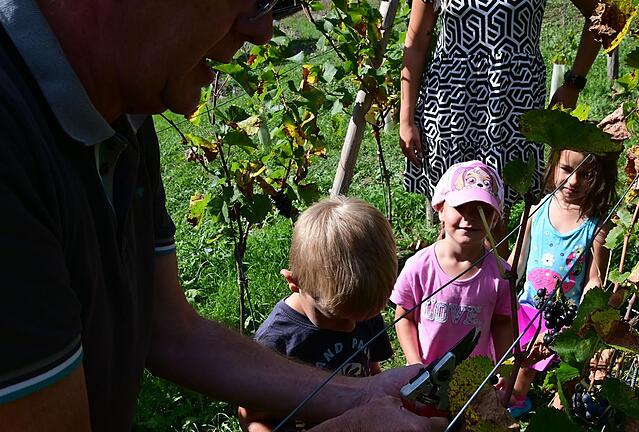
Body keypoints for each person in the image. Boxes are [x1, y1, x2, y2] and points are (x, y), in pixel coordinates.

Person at [0, 0, 447, 430]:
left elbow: (170, 331)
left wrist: (361, 397)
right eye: (252, 1)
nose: (263, 29)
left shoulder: (124, 112)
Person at [398, 0, 602, 249]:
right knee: (452, 207)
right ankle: (450, 283)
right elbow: (416, 43)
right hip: (449, 102)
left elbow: (599, 13)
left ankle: (496, 286)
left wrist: (574, 83)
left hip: (511, 100)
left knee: (496, 213)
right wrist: (406, 118)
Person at [237, 197, 398, 431]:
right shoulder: (276, 341)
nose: (350, 327)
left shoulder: (361, 309)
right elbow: (252, 417)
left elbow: (371, 372)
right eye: (336, 316)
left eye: (362, 317)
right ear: (294, 283)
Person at [505, 148, 618, 417]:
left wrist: (586, 316)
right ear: (554, 166)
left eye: (586, 175)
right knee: (514, 350)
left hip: (562, 315)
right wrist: (502, 282)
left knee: (537, 360)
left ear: (601, 178)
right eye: (567, 170)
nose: (574, 181)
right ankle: (509, 387)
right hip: (527, 304)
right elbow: (518, 259)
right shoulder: (536, 209)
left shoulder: (596, 226)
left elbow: (594, 277)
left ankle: (519, 398)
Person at [391, 161, 514, 367]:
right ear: (440, 209)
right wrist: (414, 363)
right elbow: (404, 317)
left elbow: (502, 323)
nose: (470, 216)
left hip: (474, 382)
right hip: (426, 379)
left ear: (494, 219)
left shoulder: (501, 274)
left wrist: (504, 369)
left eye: (482, 210)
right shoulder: (419, 267)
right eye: (460, 207)